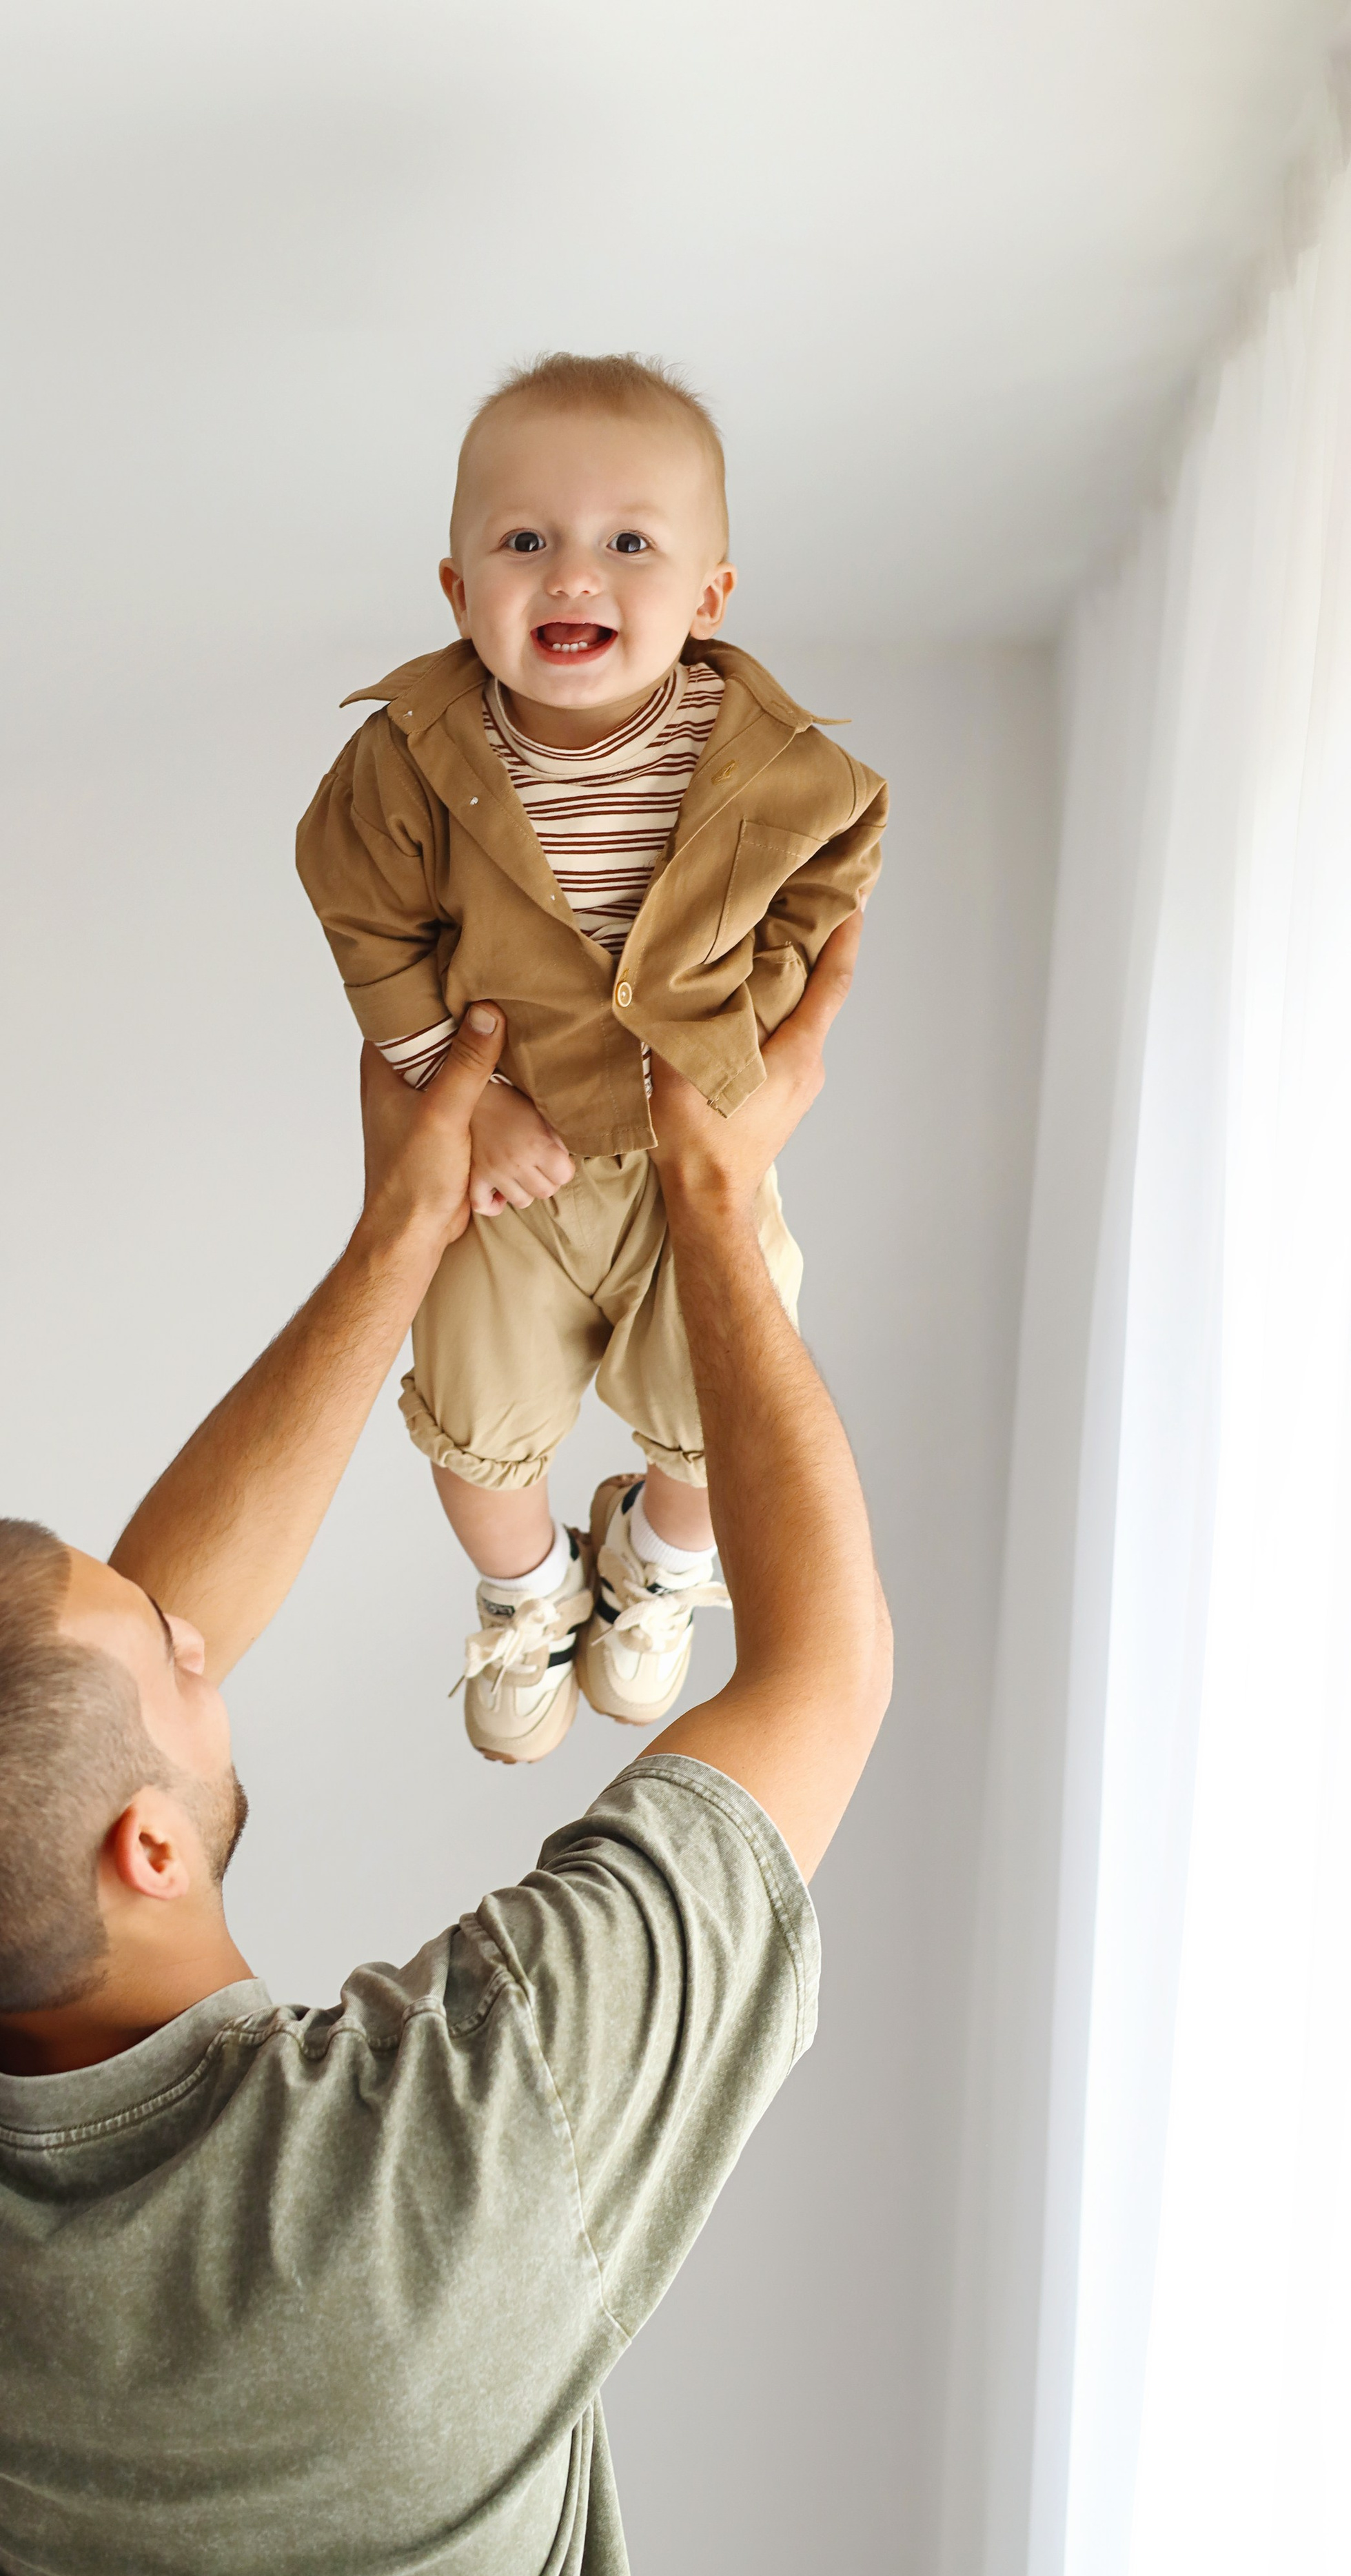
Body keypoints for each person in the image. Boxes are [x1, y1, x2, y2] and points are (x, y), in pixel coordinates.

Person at [0, 924, 888, 2576]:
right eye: (174, 1660)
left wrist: (403, 1233)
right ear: (142, 1845)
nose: (201, 1642)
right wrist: (720, 1202)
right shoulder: (451, 2160)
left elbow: (69, 1714)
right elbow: (820, 1676)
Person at [297, 350, 888, 1761]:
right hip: (517, 1161)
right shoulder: (415, 759)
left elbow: (829, 875)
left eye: (629, 543)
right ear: (456, 589)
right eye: (523, 543)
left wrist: (754, 1038)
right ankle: (523, 1591)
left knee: (718, 1418)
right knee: (471, 1421)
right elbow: (359, 910)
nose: (573, 577)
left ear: (708, 594)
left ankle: (658, 1568)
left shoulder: (765, 761)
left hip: (699, 1159)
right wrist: (460, 1078)